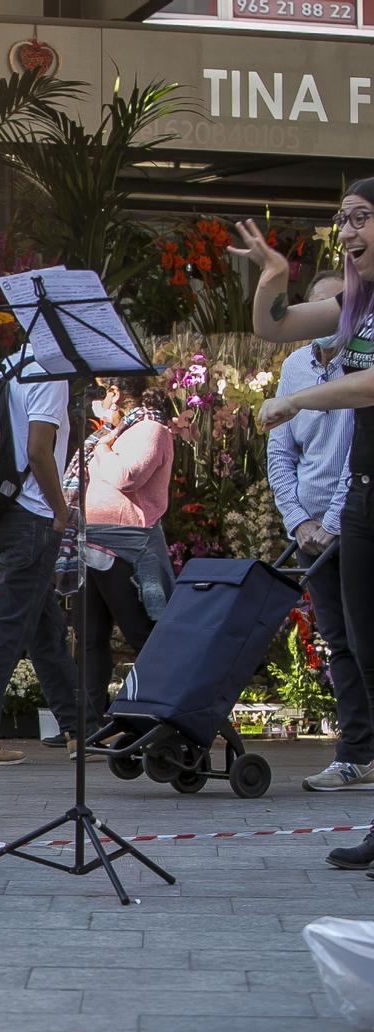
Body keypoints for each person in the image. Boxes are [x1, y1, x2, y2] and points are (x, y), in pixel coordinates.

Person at [238, 189, 374, 870]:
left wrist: (295, 399)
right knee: (366, 659)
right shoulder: (354, 306)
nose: (347, 231)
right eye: (342, 220)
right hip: (365, 506)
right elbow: (275, 327)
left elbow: (370, 385)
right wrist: (273, 281)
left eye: (360, 218)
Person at [264, 270, 373, 792]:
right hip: (310, 527)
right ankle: (357, 751)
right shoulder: (295, 367)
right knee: (338, 640)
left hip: (353, 518)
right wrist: (298, 520)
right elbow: (280, 449)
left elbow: (360, 450)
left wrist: (331, 524)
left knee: (363, 636)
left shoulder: (362, 361)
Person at [0, 341, 82, 767]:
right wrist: (62, 511)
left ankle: (78, 730)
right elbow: (38, 450)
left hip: (0, 511)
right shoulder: (50, 372)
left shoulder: (9, 363)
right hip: (32, 516)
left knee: (44, 628)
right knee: (9, 631)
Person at [71, 376, 175, 716]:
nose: (98, 403)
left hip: (126, 546)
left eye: (102, 392)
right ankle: (88, 720)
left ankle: (158, 710)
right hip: (91, 544)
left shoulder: (151, 429)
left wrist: (102, 448)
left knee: (140, 632)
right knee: (90, 636)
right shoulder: (112, 434)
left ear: (115, 394)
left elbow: (127, 476)